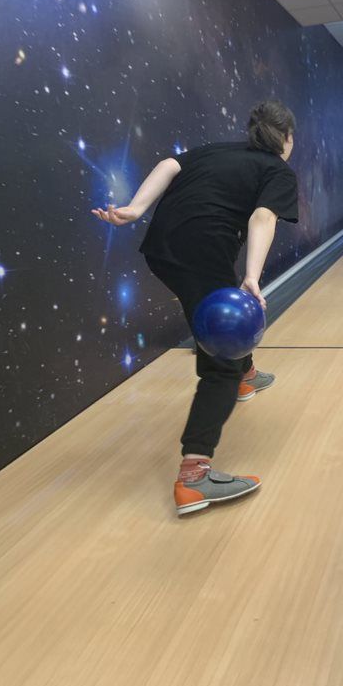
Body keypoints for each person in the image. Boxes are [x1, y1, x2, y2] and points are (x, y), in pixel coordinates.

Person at [92, 101, 298, 515]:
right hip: (202, 252)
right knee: (222, 354)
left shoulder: (218, 149)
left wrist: (135, 208)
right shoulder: (279, 171)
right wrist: (252, 276)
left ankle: (246, 375)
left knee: (216, 317)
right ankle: (194, 476)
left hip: (161, 249)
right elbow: (263, 218)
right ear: (287, 139)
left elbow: (169, 165)